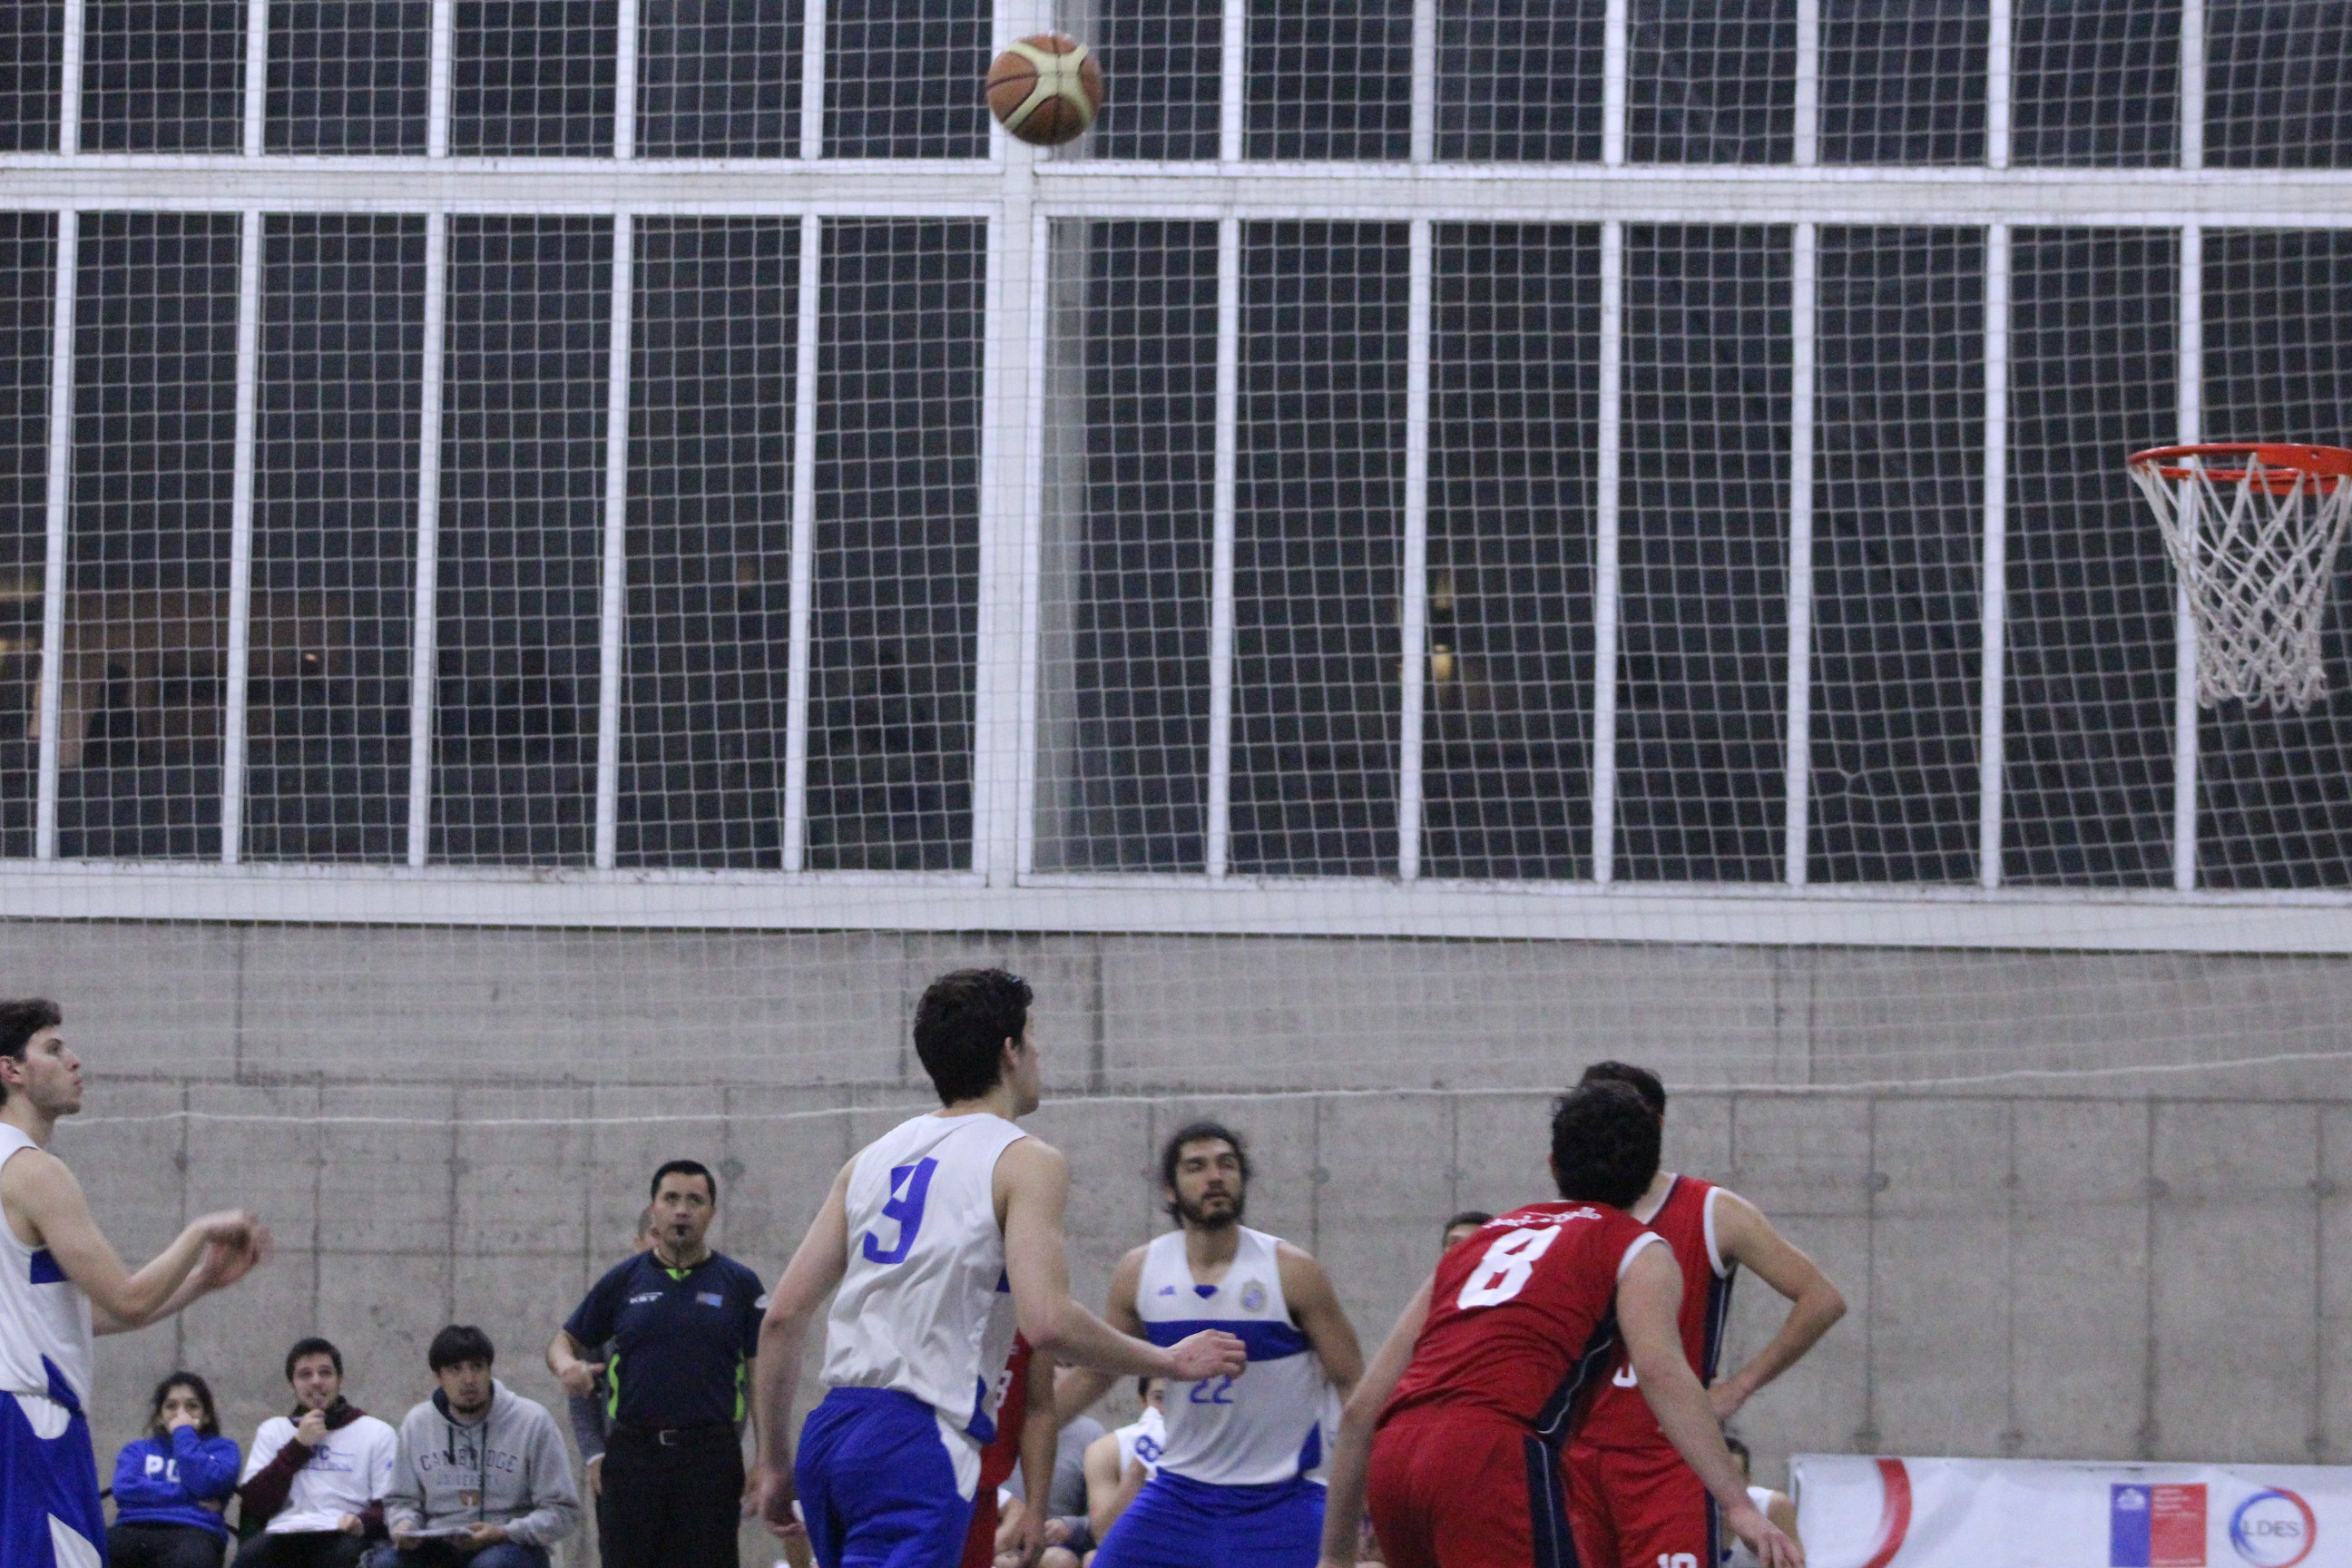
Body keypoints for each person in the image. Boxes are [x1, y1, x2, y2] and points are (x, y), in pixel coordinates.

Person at [750, 966, 1248, 1568]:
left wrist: (773, 1462)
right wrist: (1167, 1360)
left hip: (831, 1433)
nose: (1039, 1053)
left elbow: (782, 1318)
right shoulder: (1024, 1160)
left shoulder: (868, 1161)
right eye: (1033, 1038)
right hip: (916, 1438)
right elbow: (1047, 1323)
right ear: (1010, 1051)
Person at [1312, 1082, 1803, 1568]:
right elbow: (1661, 1374)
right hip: (1489, 1459)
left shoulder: (1480, 1241)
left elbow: (1361, 1410)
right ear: (1650, 1169)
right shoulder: (1637, 1247)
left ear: (1552, 1164)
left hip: (1395, 1458)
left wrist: (1334, 1556)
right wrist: (1739, 1506)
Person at [0, 998, 269, 1568]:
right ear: (11, 1069)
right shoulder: (33, 1170)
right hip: (29, 1428)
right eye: (53, 1048)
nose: (74, 1060)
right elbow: (127, 1297)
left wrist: (200, 1281)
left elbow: (77, 1318)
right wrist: (199, 1232)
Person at [1565, 1063, 1844, 1568]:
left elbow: (1821, 1299)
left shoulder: (1712, 1210)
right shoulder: (1565, 1218)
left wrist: (1739, 1386)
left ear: (1655, 1125)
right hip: (1574, 1452)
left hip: (1667, 1453)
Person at [1059, 1121, 1365, 1568]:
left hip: (1282, 1499)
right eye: (1196, 1167)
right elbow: (1097, 1373)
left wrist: (1369, 1486)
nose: (1215, 1176)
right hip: (1178, 1495)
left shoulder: (1292, 1271)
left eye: (1227, 1164)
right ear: (1169, 1190)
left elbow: (1354, 1384)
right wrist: (1020, 1430)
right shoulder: (1139, 1271)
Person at [548, 1161, 766, 1568]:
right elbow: (564, 1341)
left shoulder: (739, 1284)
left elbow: (761, 1374)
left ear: (712, 1213)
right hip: (633, 1458)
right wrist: (565, 1366)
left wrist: (767, 1457)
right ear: (654, 1209)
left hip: (710, 1457)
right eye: (671, 1199)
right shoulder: (623, 1280)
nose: (682, 1210)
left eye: (695, 1200)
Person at [374, 1325, 578, 1568]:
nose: (468, 1379)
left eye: (477, 1367)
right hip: (438, 1546)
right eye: (455, 1369)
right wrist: (404, 1525)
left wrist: (504, 1532)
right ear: (438, 1377)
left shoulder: (532, 1421)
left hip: (511, 1544)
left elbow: (563, 1512)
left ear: (489, 1371)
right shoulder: (417, 1424)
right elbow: (401, 1501)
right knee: (384, 1563)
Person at [235, 1338, 398, 1567]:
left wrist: (362, 1522)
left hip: (344, 1534)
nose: (316, 1382)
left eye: (325, 1373)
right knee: (249, 1558)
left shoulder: (376, 1432)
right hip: (285, 1534)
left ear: (340, 1380)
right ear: (291, 1384)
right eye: (305, 1375)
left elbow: (391, 1504)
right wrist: (298, 1447)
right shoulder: (273, 1430)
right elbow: (255, 1504)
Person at [565, 1205, 656, 1554]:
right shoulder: (611, 1299)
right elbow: (581, 1387)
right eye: (654, 1234)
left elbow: (737, 1384)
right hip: (621, 1460)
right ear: (638, 1242)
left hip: (693, 1461)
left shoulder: (709, 1300)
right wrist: (594, 1455)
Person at [108, 1372, 240, 1568]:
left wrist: (183, 1433)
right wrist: (190, 1496)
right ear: (160, 1417)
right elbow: (125, 1490)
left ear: (206, 1416)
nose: (181, 1414)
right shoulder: (137, 1450)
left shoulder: (223, 1449)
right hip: (134, 1526)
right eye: (171, 1406)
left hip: (194, 1530)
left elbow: (207, 1485)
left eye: (192, 1406)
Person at [1080, 1379, 1165, 1554]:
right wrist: (1138, 1468)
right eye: (1160, 1398)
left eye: (1179, 1401)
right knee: (1092, 1559)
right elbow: (1102, 1534)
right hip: (1134, 1548)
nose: (1170, 1409)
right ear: (1143, 1402)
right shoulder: (1106, 1450)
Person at [1720, 1436, 1799, 1568]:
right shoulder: (1689, 1511)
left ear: (1748, 1480)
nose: (1723, 1487)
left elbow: (1796, 1564)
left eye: (1734, 1478)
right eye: (1718, 1479)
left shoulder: (1771, 1506)